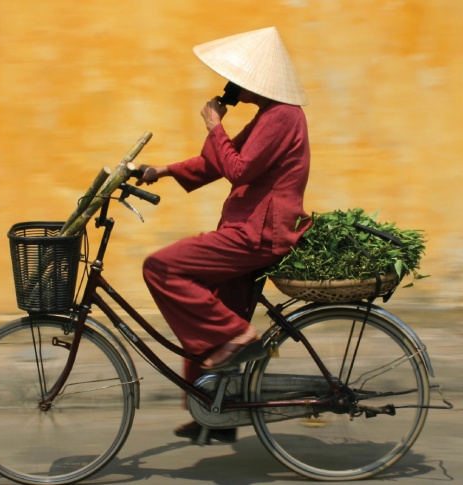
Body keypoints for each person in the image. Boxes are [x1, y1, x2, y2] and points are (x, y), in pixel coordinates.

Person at [136, 26, 313, 443]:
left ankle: (236, 338)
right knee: (207, 312)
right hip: (249, 231)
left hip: (258, 235)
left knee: (162, 268)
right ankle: (215, 417)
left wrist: (214, 123)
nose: (231, 85)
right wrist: (161, 171)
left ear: (256, 81)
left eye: (239, 78)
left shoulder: (283, 116)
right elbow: (218, 162)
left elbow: (237, 169)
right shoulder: (268, 116)